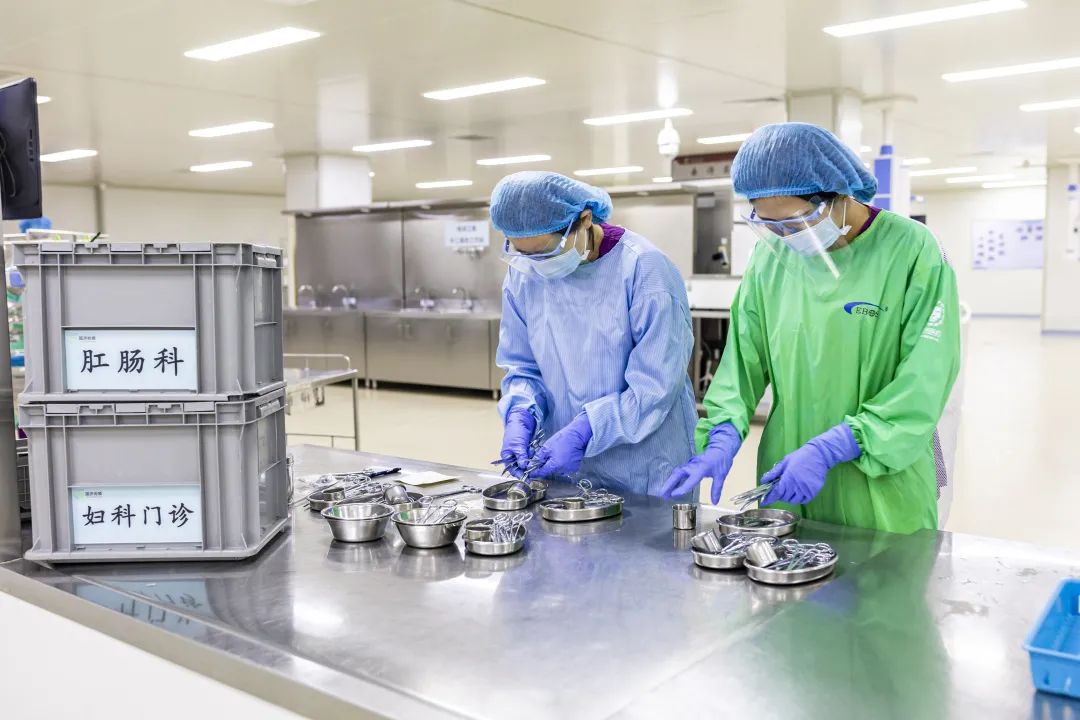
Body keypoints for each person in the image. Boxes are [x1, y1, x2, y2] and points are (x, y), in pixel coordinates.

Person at [661, 122, 960, 533]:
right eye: (771, 225)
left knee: (884, 574)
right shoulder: (770, 259)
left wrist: (838, 445)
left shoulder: (913, 250)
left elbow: (925, 377)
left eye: (797, 222)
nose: (787, 237)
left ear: (838, 195)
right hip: (789, 477)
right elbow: (743, 362)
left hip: (881, 487)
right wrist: (722, 433)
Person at [492, 171, 696, 496]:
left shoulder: (644, 269)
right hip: (563, 466)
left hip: (644, 467)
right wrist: (521, 411)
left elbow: (656, 385)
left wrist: (588, 428)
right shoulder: (524, 275)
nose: (537, 265)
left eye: (547, 252)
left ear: (585, 220)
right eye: (523, 253)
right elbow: (522, 366)